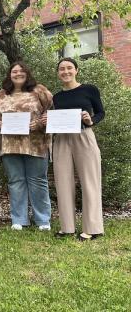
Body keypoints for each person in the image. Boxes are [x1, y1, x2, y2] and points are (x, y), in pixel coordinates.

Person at [42, 57, 105, 241]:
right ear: (58, 73)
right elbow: (56, 119)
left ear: (76, 70)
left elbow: (101, 112)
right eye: (62, 69)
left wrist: (90, 119)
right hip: (61, 139)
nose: (66, 71)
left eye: (69, 68)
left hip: (84, 136)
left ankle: (92, 228)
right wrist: (48, 121)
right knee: (62, 181)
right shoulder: (57, 97)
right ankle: (67, 227)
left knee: (90, 180)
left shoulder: (89, 89)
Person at [0, 61, 53, 231]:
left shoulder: (39, 91)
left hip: (36, 144)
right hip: (10, 145)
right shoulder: (1, 94)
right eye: (14, 71)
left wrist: (40, 123)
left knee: (38, 181)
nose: (17, 74)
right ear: (9, 75)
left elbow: (52, 111)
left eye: (21, 71)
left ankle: (43, 220)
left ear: (27, 73)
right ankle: (19, 219)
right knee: (15, 181)